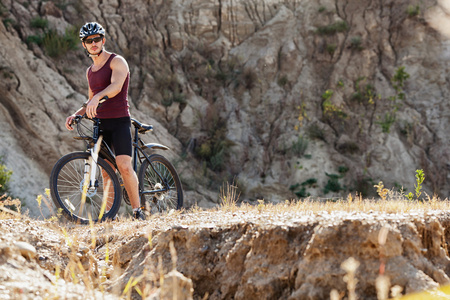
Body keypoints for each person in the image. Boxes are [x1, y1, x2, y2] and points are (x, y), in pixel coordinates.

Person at [65, 22, 144, 220]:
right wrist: (76, 114)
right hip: (101, 124)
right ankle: (111, 216)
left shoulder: (117, 62)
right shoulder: (90, 71)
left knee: (124, 166)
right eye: (88, 41)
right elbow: (91, 99)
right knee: (106, 171)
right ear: (84, 45)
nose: (93, 43)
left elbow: (116, 86)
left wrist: (97, 97)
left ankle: (137, 212)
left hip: (119, 121)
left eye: (97, 39)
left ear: (103, 40)